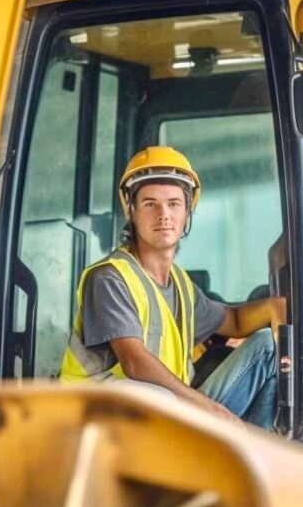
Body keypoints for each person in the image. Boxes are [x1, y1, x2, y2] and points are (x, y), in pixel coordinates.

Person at [60, 146, 284, 428]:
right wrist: (211, 409)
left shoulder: (179, 283)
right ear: (131, 210)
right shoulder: (110, 278)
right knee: (159, 395)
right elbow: (135, 361)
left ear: (188, 211)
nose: (163, 214)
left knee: (266, 345)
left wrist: (276, 307)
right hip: (106, 425)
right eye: (150, 204)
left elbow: (234, 321)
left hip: (164, 415)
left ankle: (262, 456)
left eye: (174, 204)